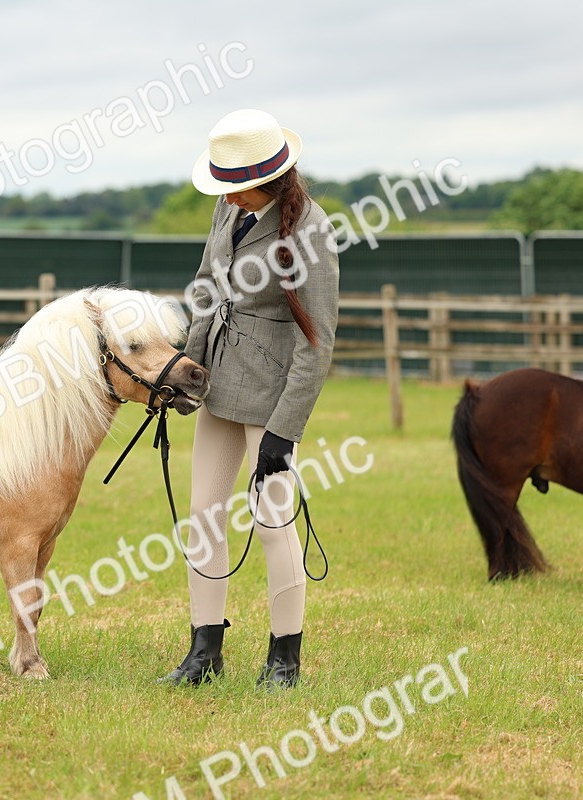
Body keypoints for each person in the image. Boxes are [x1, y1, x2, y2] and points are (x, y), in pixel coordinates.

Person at [158, 109, 339, 689]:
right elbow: (207, 290)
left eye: (233, 186)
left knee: (272, 521)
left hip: (272, 398)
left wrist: (285, 431)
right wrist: (185, 370)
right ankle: (203, 653)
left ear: (264, 180)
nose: (226, 196)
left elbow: (318, 343)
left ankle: (284, 659)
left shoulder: (310, 231)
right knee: (204, 520)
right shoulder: (226, 210)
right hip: (218, 391)